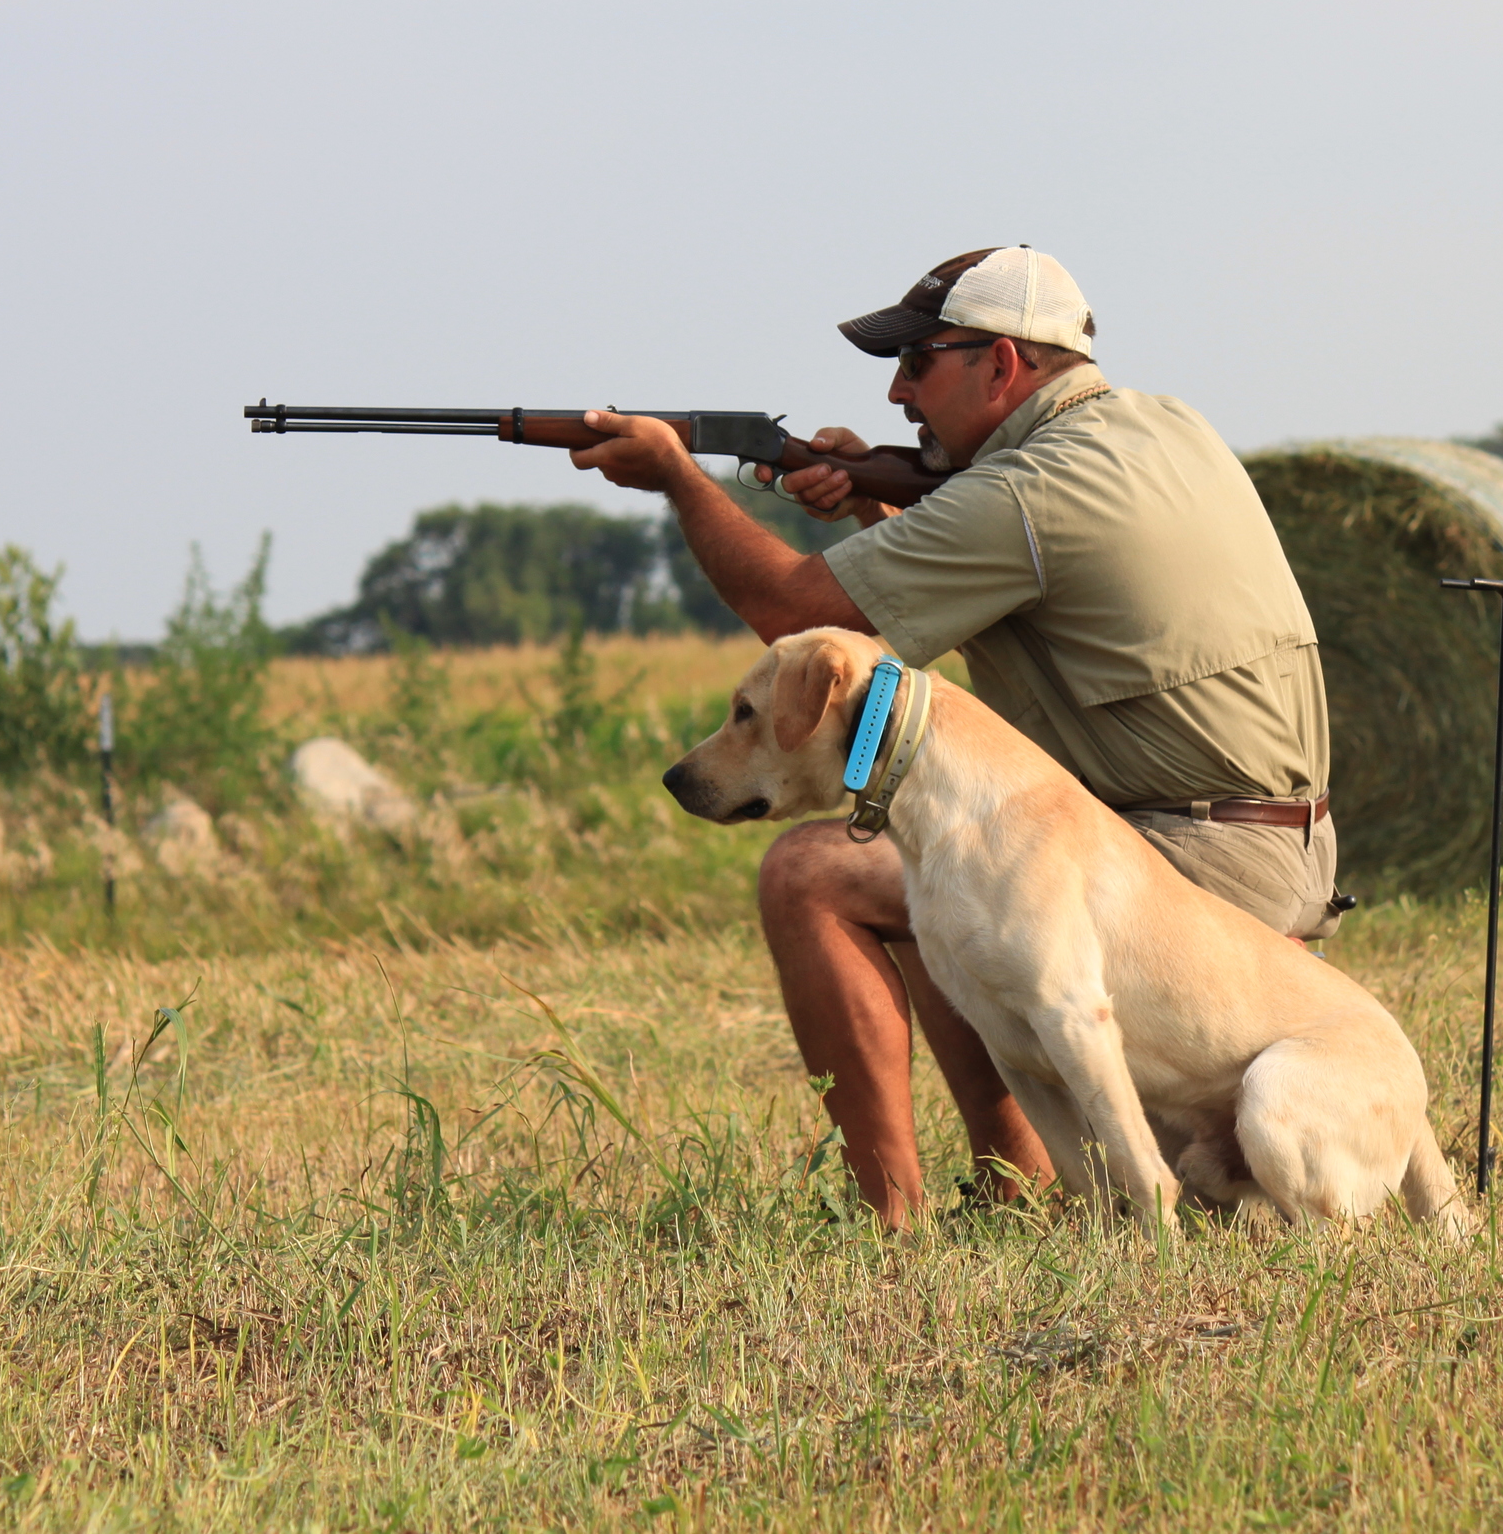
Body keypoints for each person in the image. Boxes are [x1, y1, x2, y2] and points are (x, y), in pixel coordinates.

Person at [570, 245, 1346, 1228]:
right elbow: (1014, 584)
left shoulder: (1026, 491)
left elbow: (791, 611)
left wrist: (679, 478)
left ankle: (896, 1220)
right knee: (942, 855)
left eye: (918, 361)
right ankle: (1022, 1186)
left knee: (817, 873)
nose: (896, 391)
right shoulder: (1162, 429)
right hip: (1270, 841)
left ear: (1002, 364)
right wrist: (868, 501)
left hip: (1193, 860)